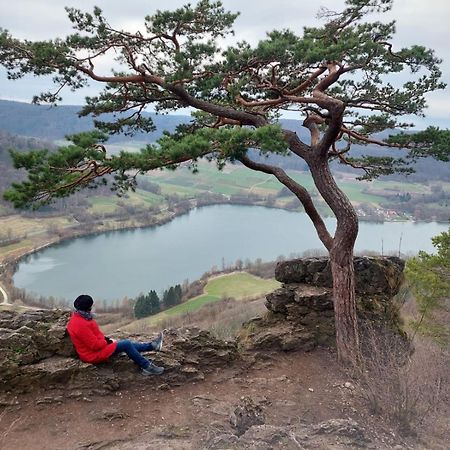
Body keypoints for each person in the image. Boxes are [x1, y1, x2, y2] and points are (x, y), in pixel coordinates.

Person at [67, 294, 164, 375]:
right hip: (92, 355)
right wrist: (107, 342)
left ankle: (152, 346)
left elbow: (94, 337)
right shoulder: (80, 324)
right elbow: (95, 345)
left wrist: (108, 341)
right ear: (88, 307)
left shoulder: (81, 318)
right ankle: (147, 367)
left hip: (96, 349)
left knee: (126, 344)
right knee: (126, 344)